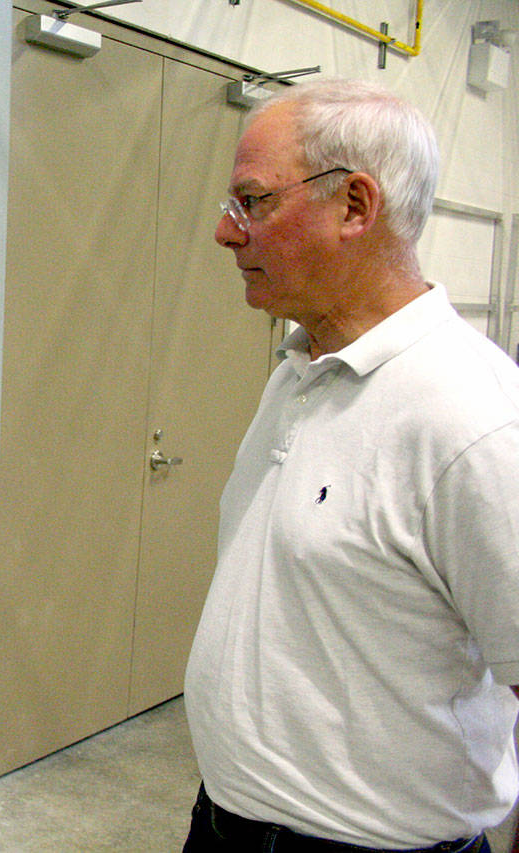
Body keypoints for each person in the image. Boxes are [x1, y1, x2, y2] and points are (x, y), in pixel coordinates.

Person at [183, 78, 519, 853]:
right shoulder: (299, 372)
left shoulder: (472, 419)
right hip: (226, 823)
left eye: (253, 202)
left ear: (355, 206)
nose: (226, 232)